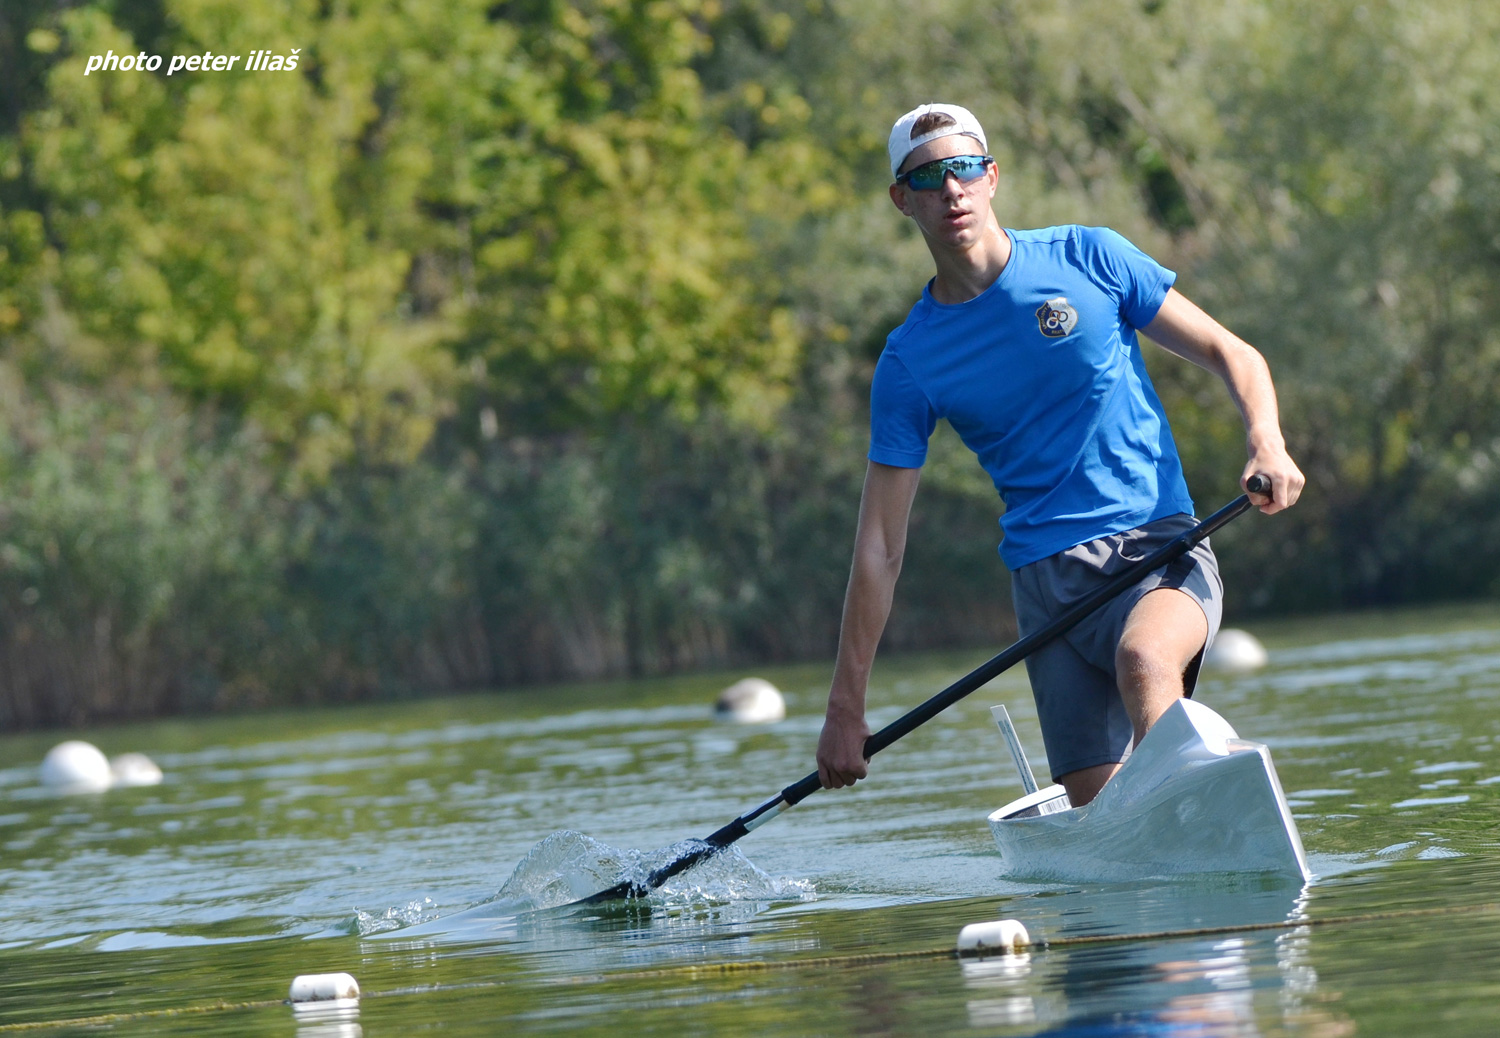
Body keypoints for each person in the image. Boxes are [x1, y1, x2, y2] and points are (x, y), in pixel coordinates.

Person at [815, 103, 1304, 807]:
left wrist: (1268, 440)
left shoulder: (1089, 257)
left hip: (1157, 549)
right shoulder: (909, 362)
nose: (950, 189)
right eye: (928, 178)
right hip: (1047, 594)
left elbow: (1233, 353)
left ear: (992, 178)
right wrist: (844, 711)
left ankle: (1192, 805)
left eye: (964, 169)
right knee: (1100, 812)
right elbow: (880, 549)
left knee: (1144, 658)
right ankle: (1154, 822)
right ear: (903, 200)